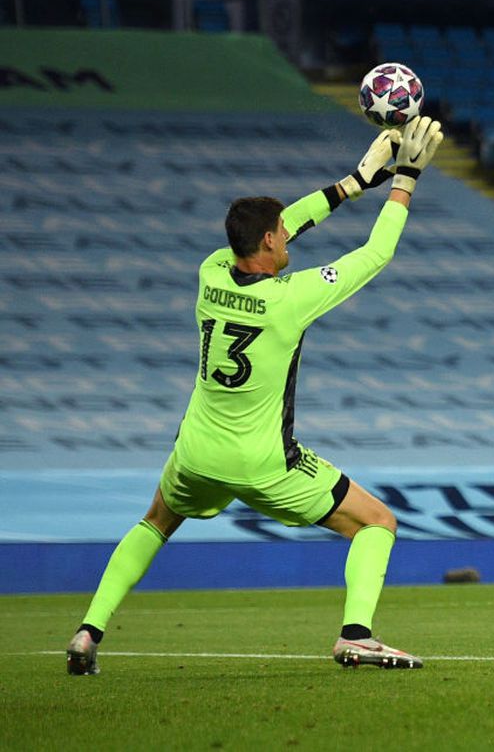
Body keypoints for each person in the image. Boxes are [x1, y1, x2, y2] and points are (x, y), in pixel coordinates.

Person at [66, 117, 445, 675]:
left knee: (155, 523)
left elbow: (283, 223)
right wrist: (405, 178)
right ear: (269, 240)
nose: (288, 235)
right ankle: (356, 636)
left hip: (196, 450)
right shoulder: (292, 298)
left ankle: (87, 632)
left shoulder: (211, 271)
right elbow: (375, 253)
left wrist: (352, 184)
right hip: (263, 461)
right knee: (377, 523)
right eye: (281, 232)